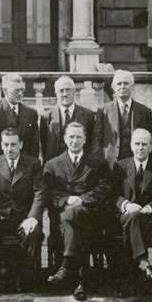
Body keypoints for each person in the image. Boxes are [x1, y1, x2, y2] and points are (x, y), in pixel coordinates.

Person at [44, 122, 112, 301]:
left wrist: (82, 199)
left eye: (78, 137)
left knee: (74, 215)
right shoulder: (52, 164)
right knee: (72, 219)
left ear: (85, 140)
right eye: (71, 137)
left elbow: (104, 187)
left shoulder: (97, 163)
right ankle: (81, 282)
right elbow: (49, 191)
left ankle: (66, 267)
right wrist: (67, 200)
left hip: (90, 214)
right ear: (65, 139)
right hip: (64, 217)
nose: (75, 141)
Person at [0, 128, 45, 290]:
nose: (10, 149)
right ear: (1, 145)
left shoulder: (33, 163)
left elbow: (39, 192)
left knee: (34, 232)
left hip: (23, 217)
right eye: (6, 145)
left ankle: (25, 275)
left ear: (21, 144)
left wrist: (33, 217)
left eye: (13, 144)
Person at [39, 76, 95, 267]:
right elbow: (46, 147)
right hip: (58, 179)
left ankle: (70, 268)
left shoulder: (87, 115)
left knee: (76, 221)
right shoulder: (47, 117)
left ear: (74, 92)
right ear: (55, 93)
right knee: (56, 224)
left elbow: (91, 146)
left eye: (68, 90)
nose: (65, 94)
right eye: (61, 90)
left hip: (82, 177)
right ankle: (57, 266)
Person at [113, 128, 152, 280]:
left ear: (151, 147)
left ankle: (140, 263)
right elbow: (112, 194)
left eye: (144, 144)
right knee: (133, 216)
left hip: (150, 218)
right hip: (125, 216)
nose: (140, 148)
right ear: (131, 146)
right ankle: (143, 262)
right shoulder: (120, 166)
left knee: (135, 217)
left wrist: (150, 207)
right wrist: (126, 204)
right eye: (137, 144)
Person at [0, 73, 40, 174]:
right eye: (16, 91)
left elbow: (34, 145)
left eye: (22, 90)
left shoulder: (30, 113)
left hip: (23, 169)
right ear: (5, 91)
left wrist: (31, 168)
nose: (20, 94)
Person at [93, 69, 152, 169]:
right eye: (119, 84)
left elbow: (150, 140)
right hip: (110, 164)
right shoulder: (103, 111)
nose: (122, 87)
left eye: (126, 83)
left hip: (135, 164)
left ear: (132, 87)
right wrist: (100, 163)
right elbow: (97, 140)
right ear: (113, 87)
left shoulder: (145, 111)